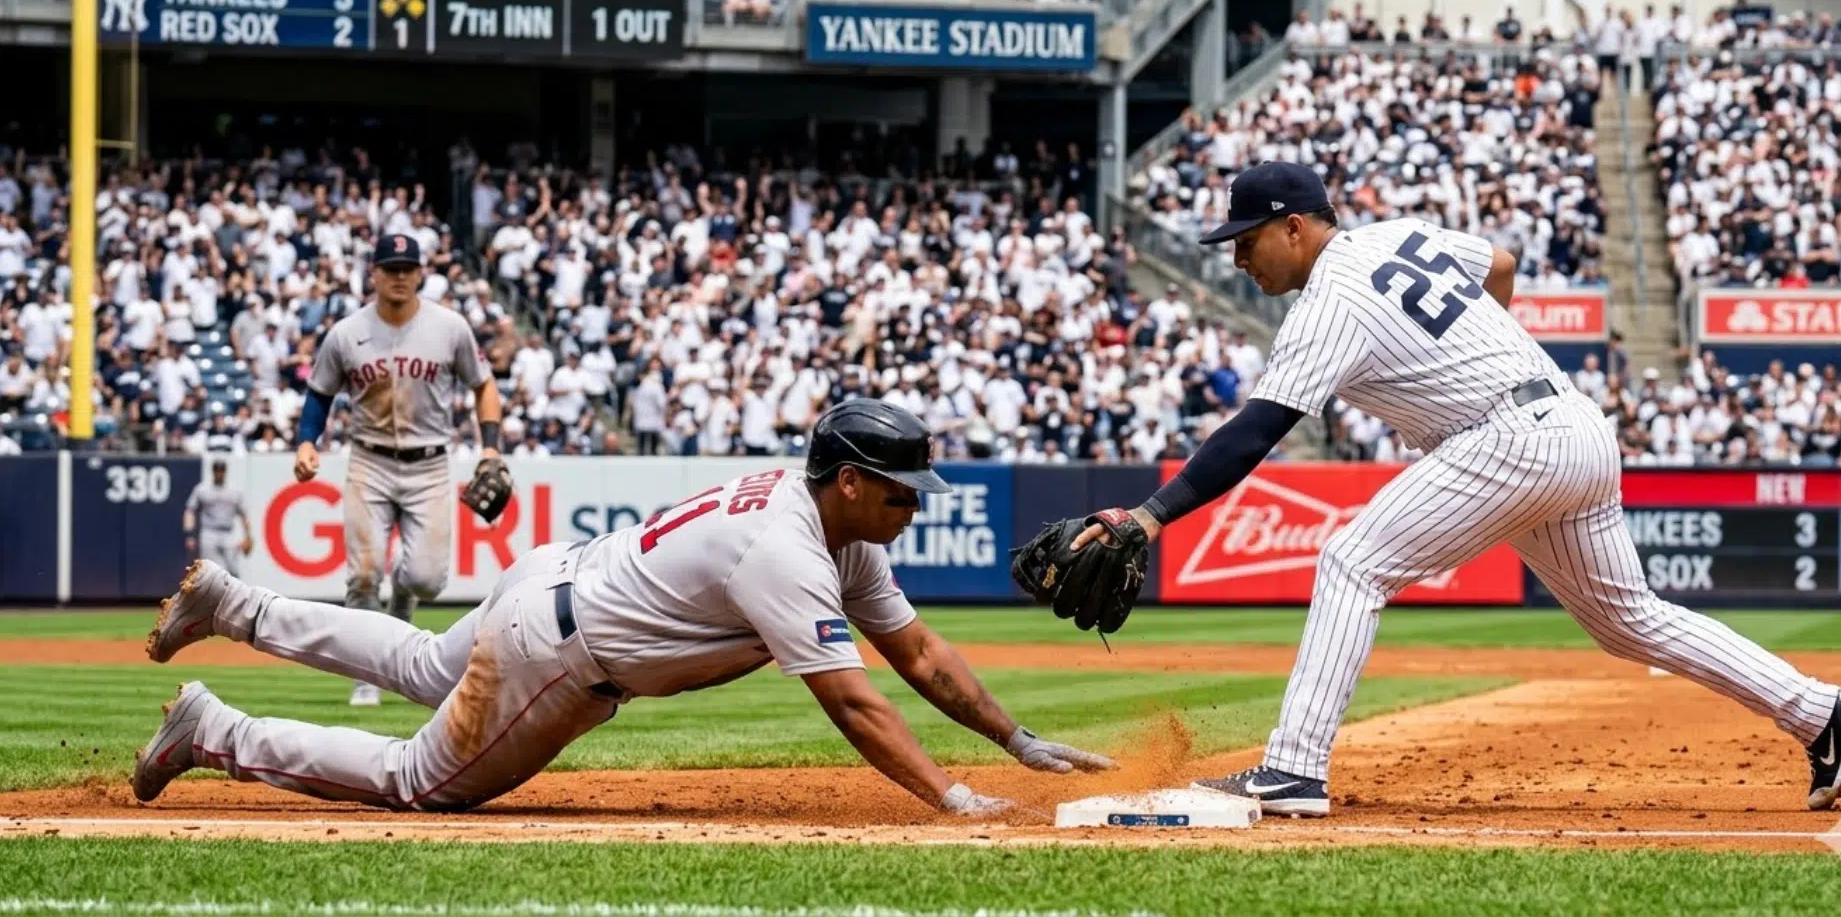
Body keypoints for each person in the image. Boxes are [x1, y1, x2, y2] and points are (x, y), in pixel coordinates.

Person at [1037, 161, 1841, 817]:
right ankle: (1818, 710)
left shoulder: (1328, 300)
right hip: (1572, 426)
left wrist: (1147, 517)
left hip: (1510, 438)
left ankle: (1293, 768)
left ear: (1294, 227)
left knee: (1352, 562)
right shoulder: (1397, 235)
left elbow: (1255, 431)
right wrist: (1489, 351)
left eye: (1248, 239)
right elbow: (1499, 263)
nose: (1239, 256)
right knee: (1629, 621)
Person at [132, 400, 1110, 813]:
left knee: (428, 664)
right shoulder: (790, 552)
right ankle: (214, 728)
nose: (914, 506)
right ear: (851, 482)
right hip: (558, 652)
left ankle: (236, 603)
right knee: (413, 781)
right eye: (902, 490)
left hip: (551, 582)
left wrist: (1014, 738)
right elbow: (855, 702)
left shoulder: (829, 527)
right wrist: (947, 796)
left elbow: (920, 653)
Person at [295, 233, 506, 707]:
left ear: (420, 273)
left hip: (429, 463)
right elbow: (319, 393)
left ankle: (404, 600)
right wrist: (307, 441)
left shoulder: (449, 327)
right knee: (364, 575)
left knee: (426, 578)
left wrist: (490, 448)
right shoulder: (347, 333)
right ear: (373, 273)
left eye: (407, 268)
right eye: (390, 268)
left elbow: (484, 385)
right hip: (368, 460)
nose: (399, 276)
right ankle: (367, 673)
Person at [182, 459, 252, 574]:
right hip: (209, 532)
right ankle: (213, 592)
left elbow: (244, 515)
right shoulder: (202, 489)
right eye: (217, 470)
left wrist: (247, 536)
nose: (219, 473)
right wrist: (190, 534)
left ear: (225, 472)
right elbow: (190, 511)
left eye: (221, 470)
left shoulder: (234, 491)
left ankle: (234, 592)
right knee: (209, 570)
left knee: (233, 569)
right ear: (213, 471)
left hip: (228, 533)